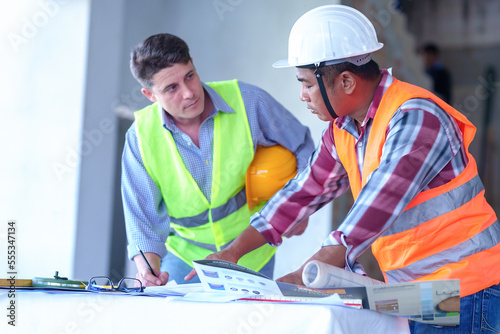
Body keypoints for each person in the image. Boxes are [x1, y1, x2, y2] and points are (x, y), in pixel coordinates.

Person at [186, 5, 500, 333]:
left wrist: (306, 273)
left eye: (307, 84)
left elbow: (377, 206)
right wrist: (232, 252)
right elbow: (303, 191)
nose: (302, 95)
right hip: (422, 294)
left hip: (469, 288)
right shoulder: (344, 130)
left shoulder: (416, 117)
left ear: (347, 81)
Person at [122, 33, 315, 287]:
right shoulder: (140, 137)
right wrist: (148, 271)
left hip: (251, 253)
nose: (189, 93)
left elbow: (303, 147)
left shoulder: (248, 101)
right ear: (150, 95)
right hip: (185, 259)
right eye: (172, 88)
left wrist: (300, 208)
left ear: (193, 62)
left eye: (190, 76)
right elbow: (142, 219)